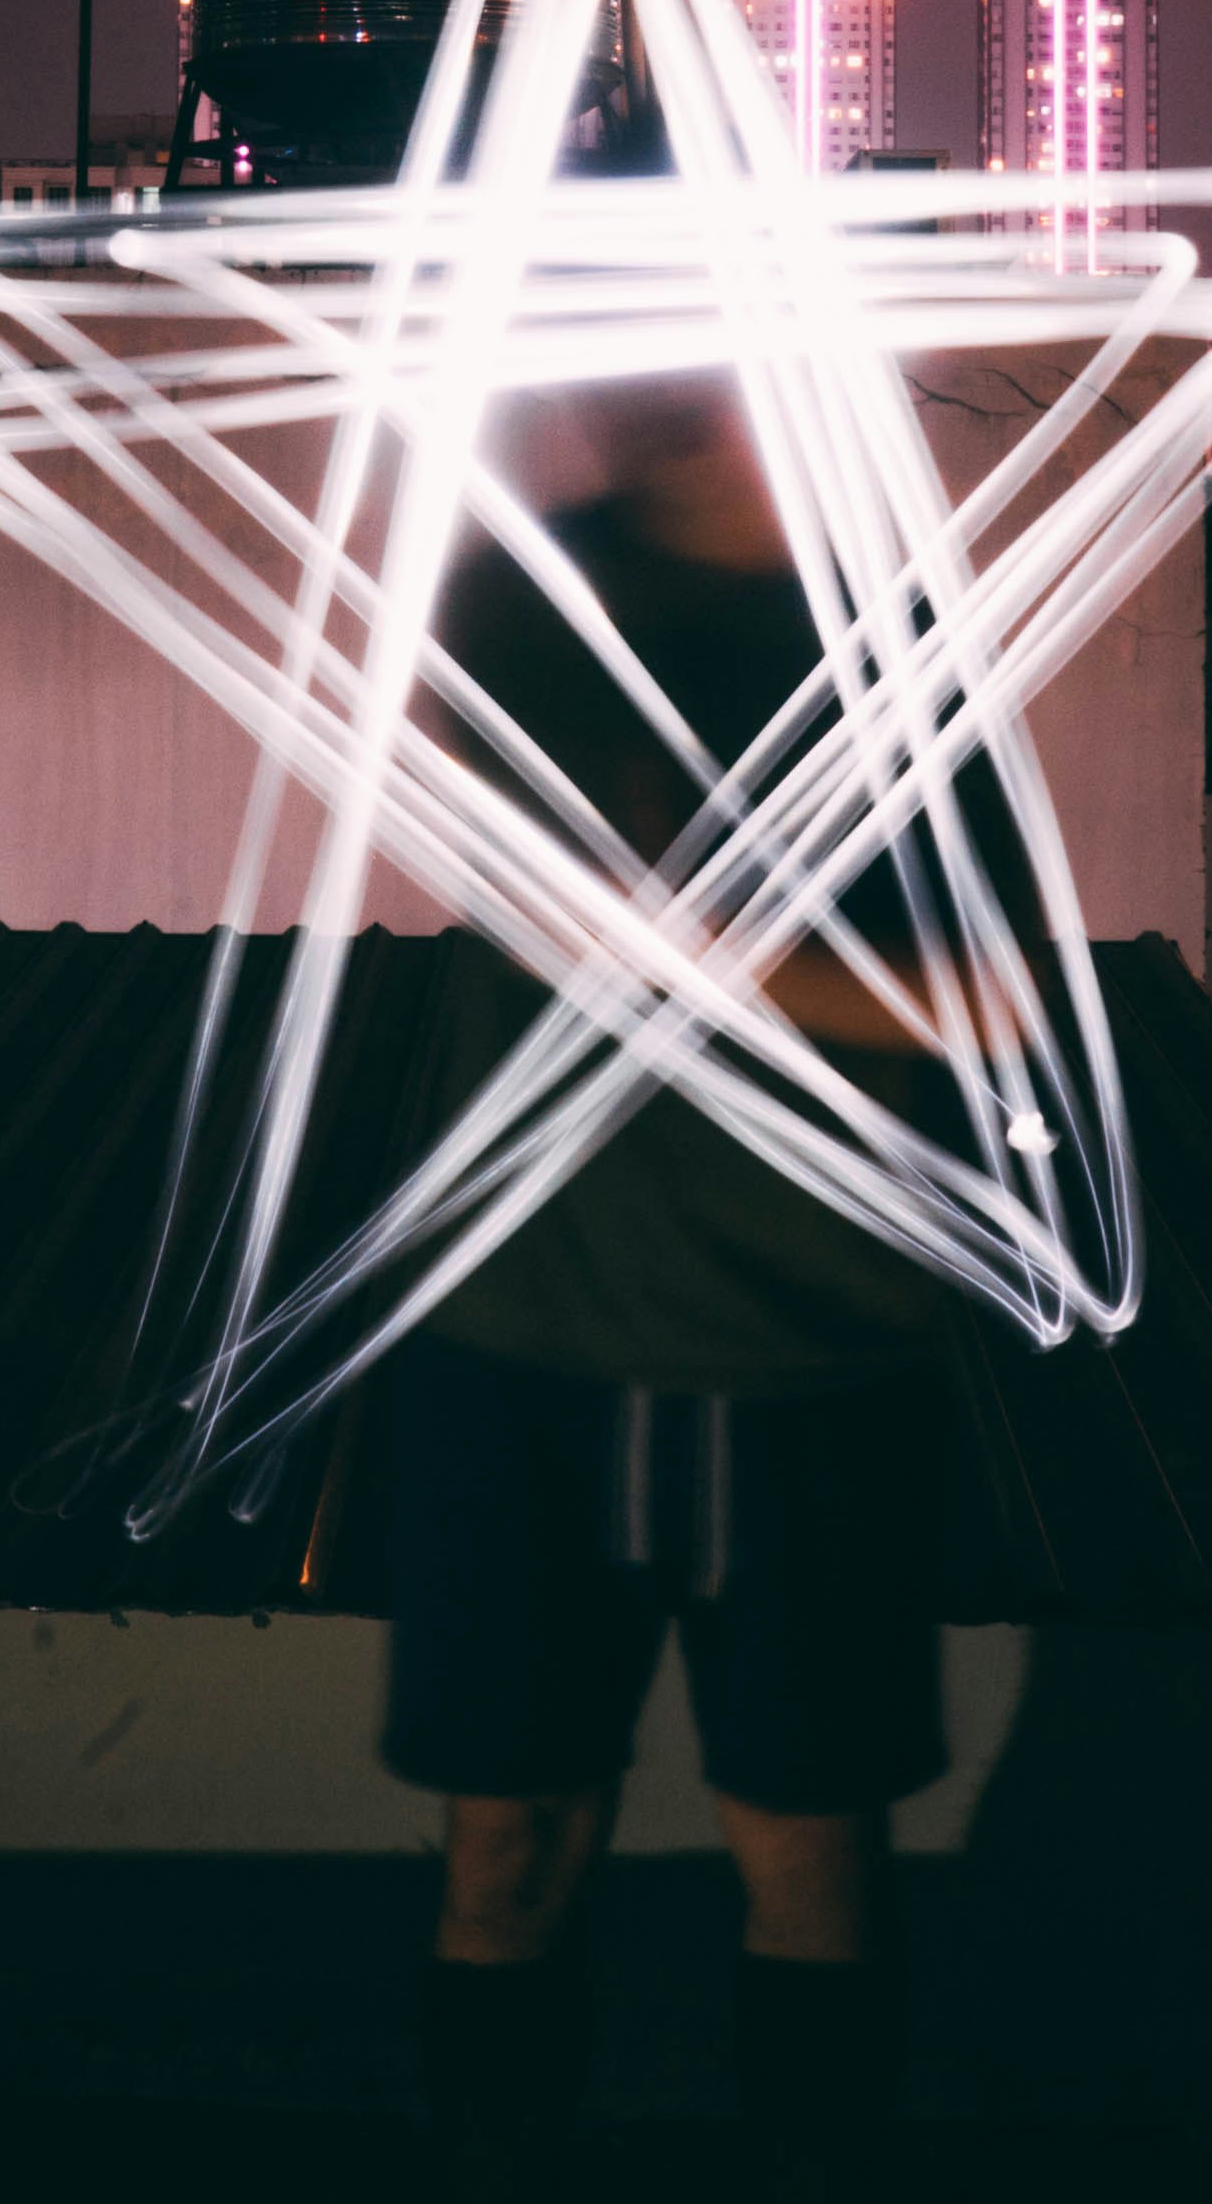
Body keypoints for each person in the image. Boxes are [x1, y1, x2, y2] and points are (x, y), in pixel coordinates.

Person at [369, 377, 1005, 2186]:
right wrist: (732, 954)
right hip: (530, 1340)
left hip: (811, 1356)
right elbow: (534, 879)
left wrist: (671, 944)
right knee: (509, 1845)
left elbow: (991, 992)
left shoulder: (891, 636)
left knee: (808, 1848)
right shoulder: (528, 592)